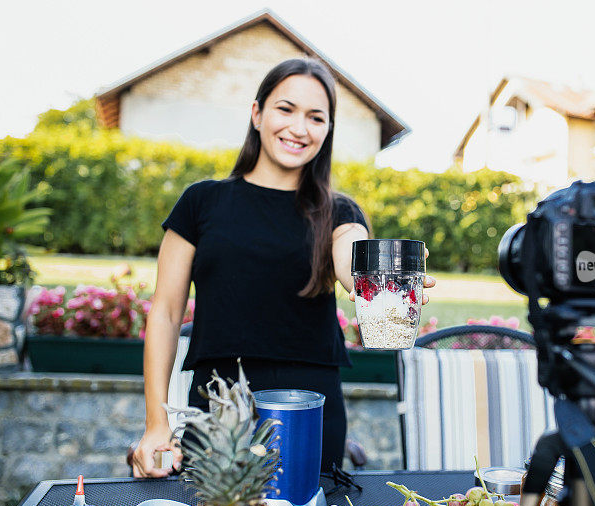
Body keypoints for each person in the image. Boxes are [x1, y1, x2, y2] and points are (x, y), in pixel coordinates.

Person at [132, 57, 435, 477]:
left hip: (311, 412)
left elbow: (353, 259)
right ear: (256, 114)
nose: (299, 128)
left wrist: (381, 284)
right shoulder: (201, 202)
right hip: (220, 405)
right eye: (285, 109)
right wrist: (156, 424)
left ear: (327, 130)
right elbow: (165, 314)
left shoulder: (339, 211)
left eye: (316, 117)